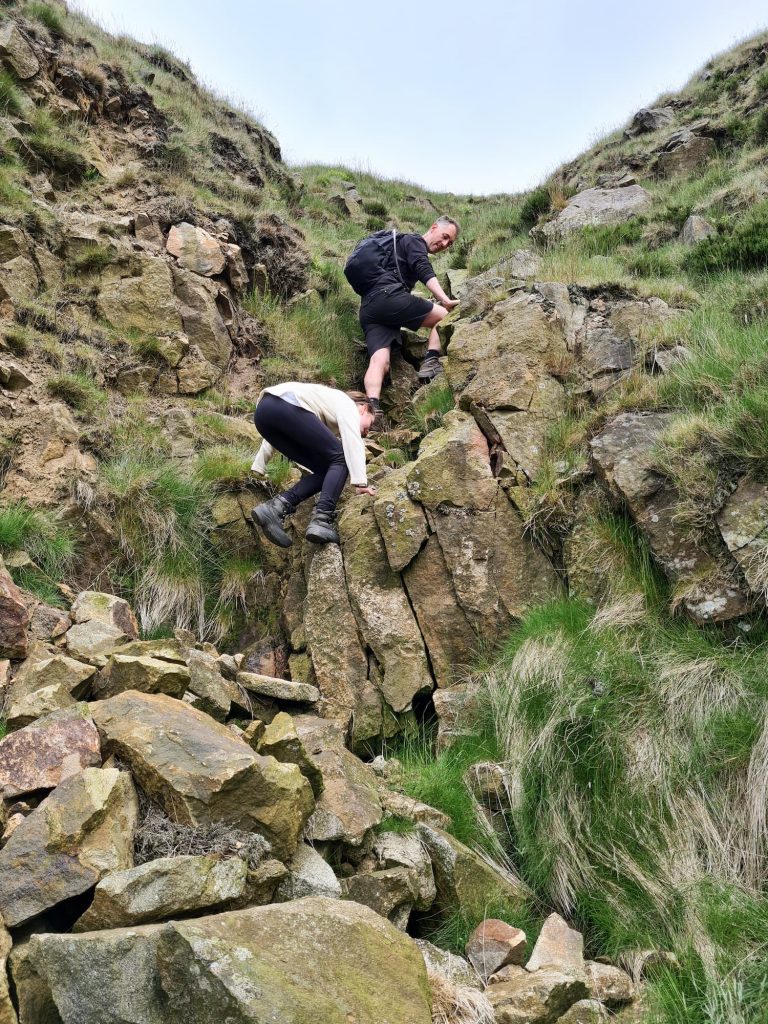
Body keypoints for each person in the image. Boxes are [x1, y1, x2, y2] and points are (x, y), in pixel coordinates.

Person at [347, 217, 461, 421]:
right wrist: (445, 300)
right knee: (444, 318)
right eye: (445, 237)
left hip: (370, 307)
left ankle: (372, 410)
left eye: (449, 243)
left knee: (380, 361)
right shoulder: (414, 241)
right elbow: (423, 268)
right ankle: (431, 361)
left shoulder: (399, 247)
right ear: (433, 227)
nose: (444, 244)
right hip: (388, 297)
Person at [250, 382, 376, 547]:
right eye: (370, 424)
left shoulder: (321, 410)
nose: (367, 432)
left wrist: (259, 464)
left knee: (326, 469)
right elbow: (353, 442)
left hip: (264, 415)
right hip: (282, 404)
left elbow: (278, 421)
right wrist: (361, 482)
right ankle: (321, 519)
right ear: (364, 409)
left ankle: (275, 508)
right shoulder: (347, 404)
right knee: (342, 457)